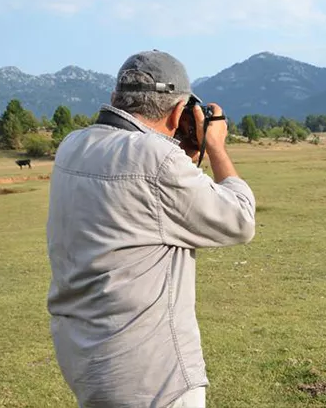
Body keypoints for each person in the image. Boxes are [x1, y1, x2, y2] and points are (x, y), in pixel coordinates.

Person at [46, 50, 256, 408]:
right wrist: (215, 147)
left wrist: (182, 156)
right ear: (178, 112)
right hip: (150, 375)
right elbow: (239, 220)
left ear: (116, 98)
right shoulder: (157, 160)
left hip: (85, 356)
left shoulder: (72, 145)